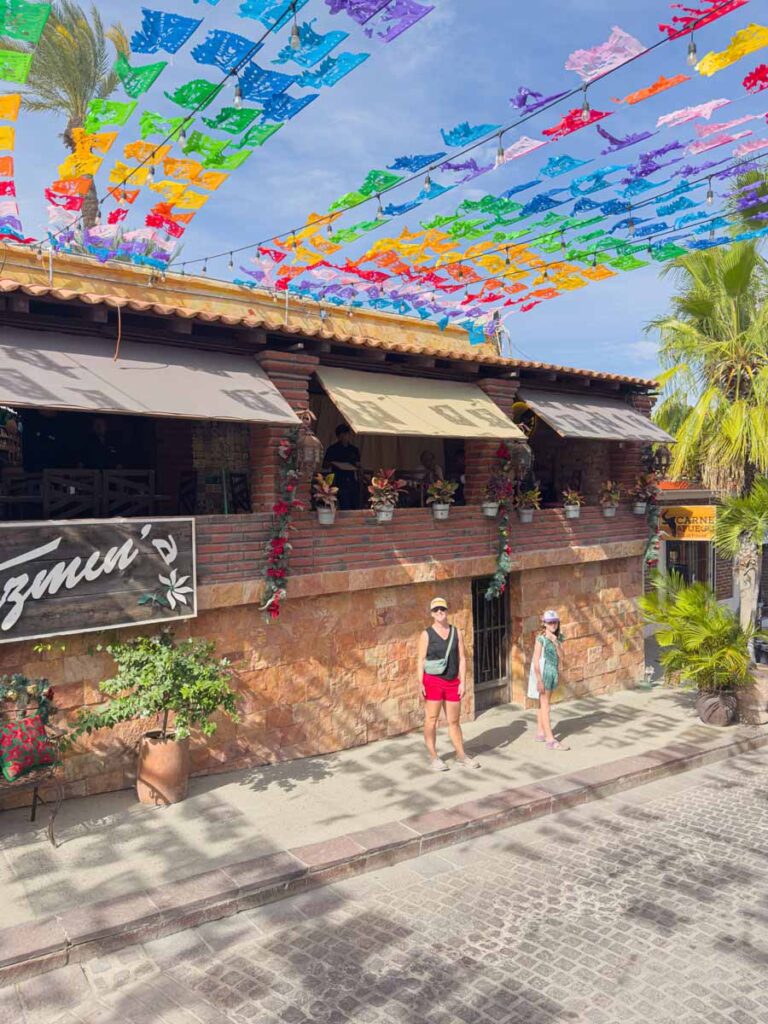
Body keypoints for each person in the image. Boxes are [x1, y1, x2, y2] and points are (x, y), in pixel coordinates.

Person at [417, 596, 480, 771]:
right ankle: (434, 756)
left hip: (453, 681)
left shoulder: (456, 632)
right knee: (431, 719)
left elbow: (462, 658)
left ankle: (461, 754)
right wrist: (420, 682)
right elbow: (421, 659)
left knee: (454, 721)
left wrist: (463, 682)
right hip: (433, 681)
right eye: (436, 610)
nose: (440, 612)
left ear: (447, 611)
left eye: (442, 609)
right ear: (432, 613)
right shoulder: (426, 634)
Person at [527, 609, 570, 750]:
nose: (553, 625)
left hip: (553, 673)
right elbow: (536, 660)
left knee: (543, 704)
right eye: (550, 622)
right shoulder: (541, 640)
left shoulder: (558, 638)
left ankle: (540, 731)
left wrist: (556, 642)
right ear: (544, 624)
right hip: (544, 673)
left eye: (555, 622)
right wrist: (539, 680)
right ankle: (550, 739)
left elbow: (563, 658)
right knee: (546, 706)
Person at [323, 423, 361, 510]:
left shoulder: (354, 449)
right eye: (342, 435)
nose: (344, 437)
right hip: (338, 480)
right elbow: (324, 465)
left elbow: (358, 464)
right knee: (344, 503)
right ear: (338, 436)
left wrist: (358, 467)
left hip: (351, 480)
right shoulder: (332, 449)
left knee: (355, 503)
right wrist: (333, 463)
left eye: (346, 434)